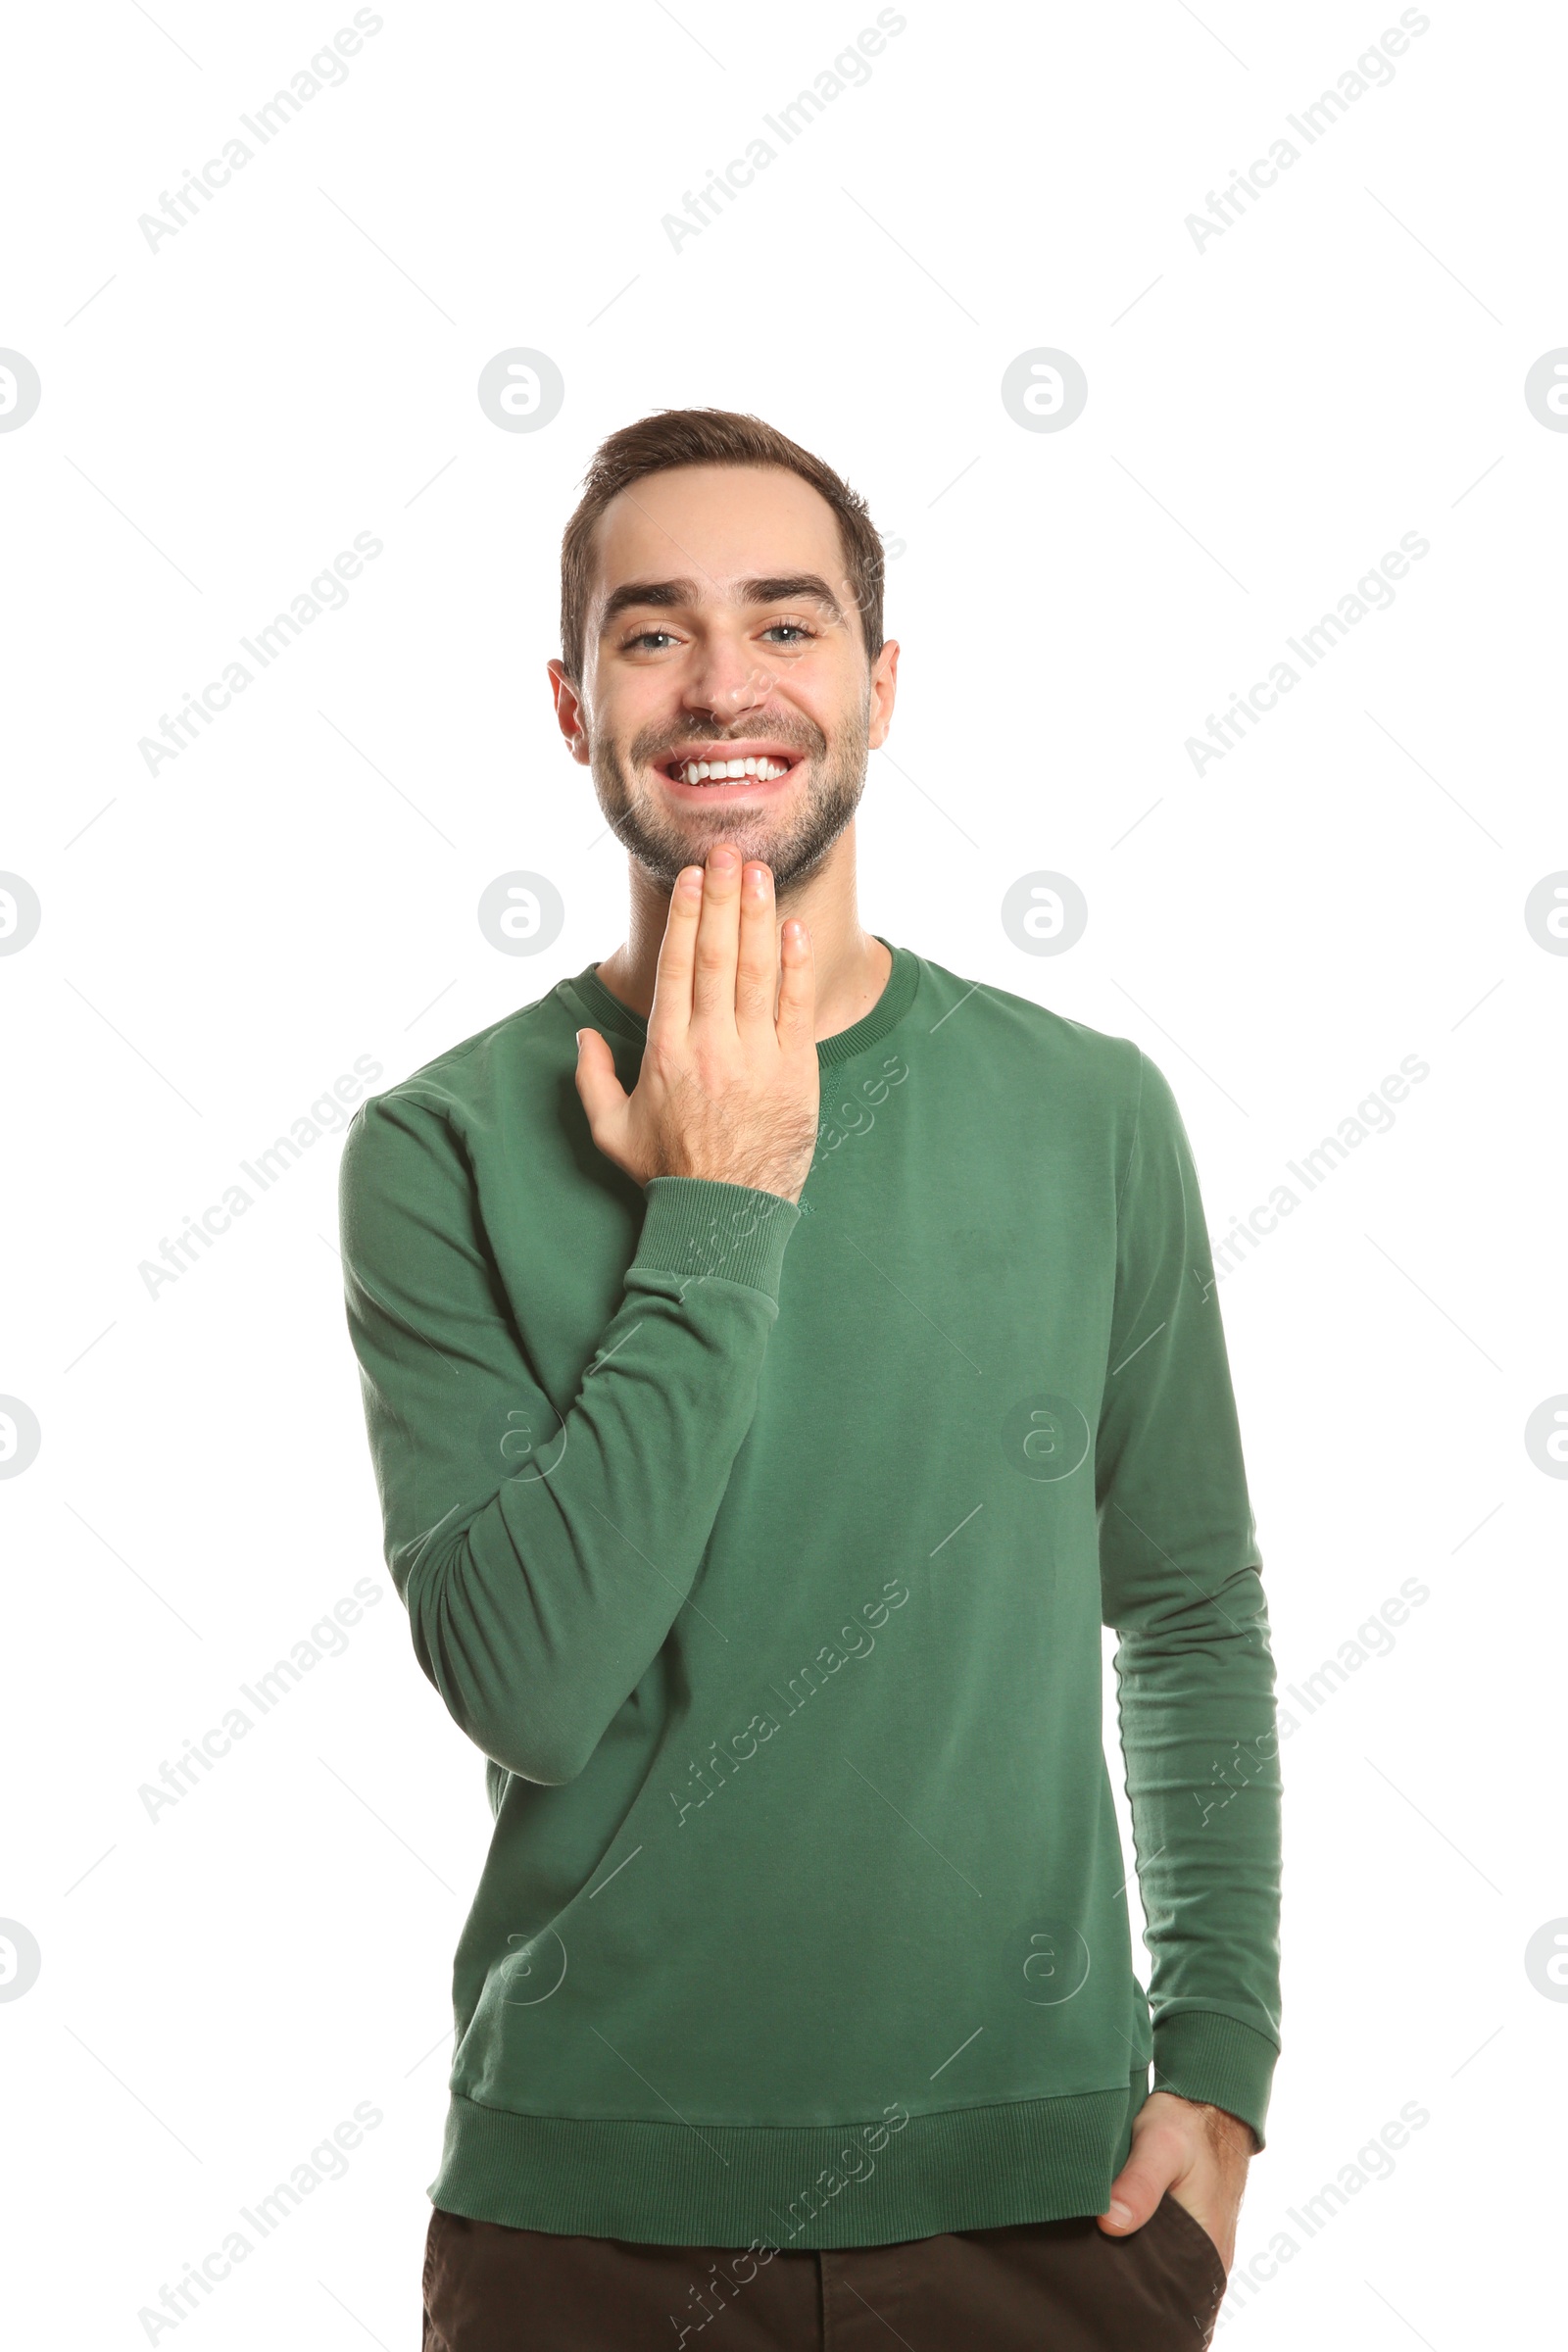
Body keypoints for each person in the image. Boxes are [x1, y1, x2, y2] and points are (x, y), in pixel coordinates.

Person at [337, 408, 1282, 2350]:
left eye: (784, 624)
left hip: (1048, 2212)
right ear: (571, 701)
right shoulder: (436, 1145)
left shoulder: (1085, 1110)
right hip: (581, 2229)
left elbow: (1182, 1612)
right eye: (649, 632)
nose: (719, 685)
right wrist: (719, 1206)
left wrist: (1223, 2058)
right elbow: (524, 1683)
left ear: (876, 686)